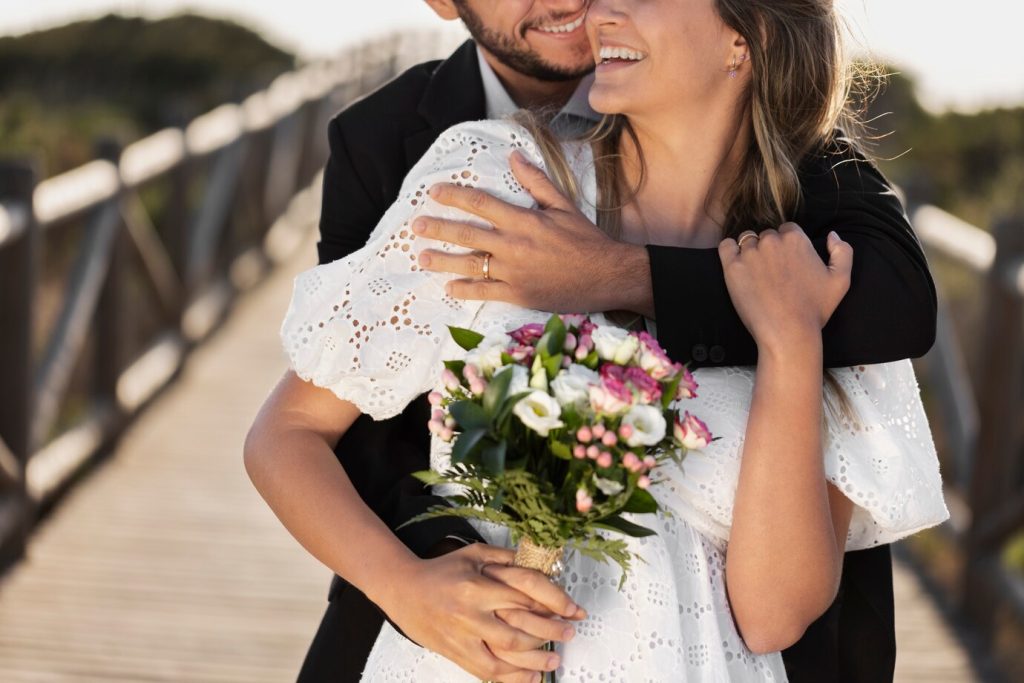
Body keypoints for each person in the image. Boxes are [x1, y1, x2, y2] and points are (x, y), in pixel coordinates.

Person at [248, 0, 939, 680]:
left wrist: (789, 342)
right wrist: (406, 584)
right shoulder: (493, 181)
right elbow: (288, 432)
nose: (598, 10)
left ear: (744, 38)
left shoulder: (809, 271)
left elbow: (771, 616)